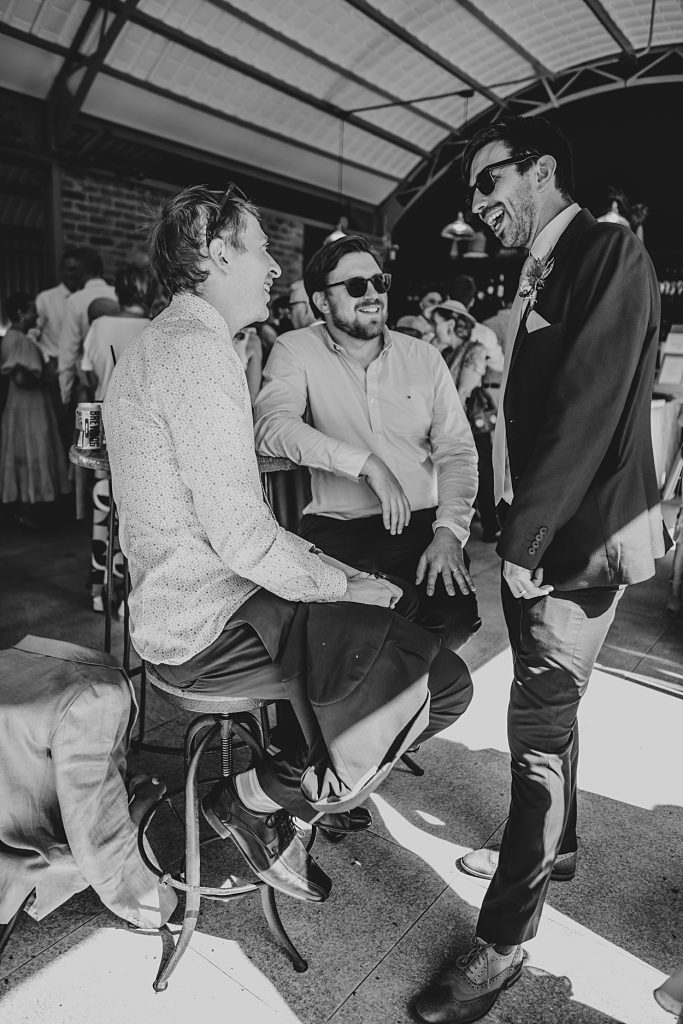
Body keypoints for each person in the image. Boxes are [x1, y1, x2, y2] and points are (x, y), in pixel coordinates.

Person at [103, 184, 472, 906]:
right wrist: (344, 584)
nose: (275, 267)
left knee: (396, 636)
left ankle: (279, 795)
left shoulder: (171, 343)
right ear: (214, 253)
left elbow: (240, 529)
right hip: (206, 624)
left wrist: (337, 576)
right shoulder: (197, 354)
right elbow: (242, 537)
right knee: (440, 681)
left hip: (193, 604)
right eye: (261, 247)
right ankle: (257, 796)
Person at [414, 114, 671, 1024]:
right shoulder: (542, 267)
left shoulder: (606, 250)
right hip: (545, 533)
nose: (479, 208)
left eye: (489, 185)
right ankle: (557, 851)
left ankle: (501, 943)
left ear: (542, 169)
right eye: (470, 198)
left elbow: (586, 410)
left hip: (574, 542)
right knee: (546, 705)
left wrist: (520, 547)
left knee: (536, 731)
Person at [254, 235, 481, 720]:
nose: (373, 293)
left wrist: (450, 531)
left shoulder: (424, 357)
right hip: (339, 528)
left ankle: (355, 741)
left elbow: (458, 451)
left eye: (379, 281)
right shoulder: (297, 349)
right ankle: (345, 748)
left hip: (423, 527)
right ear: (321, 300)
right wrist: (365, 464)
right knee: (345, 630)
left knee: (454, 618)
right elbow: (271, 427)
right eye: (356, 284)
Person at [81, 266, 151, 614]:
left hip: (104, 425)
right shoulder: (157, 328)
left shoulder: (100, 326)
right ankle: (128, 597)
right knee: (135, 512)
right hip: (142, 432)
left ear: (118, 293)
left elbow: (87, 372)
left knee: (103, 508)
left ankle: (98, 590)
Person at [431, 299, 498, 544]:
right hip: (446, 422)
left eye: (436, 323)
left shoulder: (475, 349)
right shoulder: (441, 350)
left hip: (466, 424)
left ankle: (492, 525)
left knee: (482, 473)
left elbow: (464, 390)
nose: (433, 328)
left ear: (450, 324)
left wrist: (446, 423)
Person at [0, 292, 70, 525]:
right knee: (33, 450)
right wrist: (48, 380)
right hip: (30, 406)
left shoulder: (11, 337)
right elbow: (21, 378)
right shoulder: (19, 340)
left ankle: (24, 507)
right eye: (32, 309)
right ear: (20, 313)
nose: (37, 314)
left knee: (23, 452)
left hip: (19, 405)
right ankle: (29, 509)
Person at [58, 248, 116, 407]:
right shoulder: (117, 295)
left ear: (80, 272)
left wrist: (65, 395)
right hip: (119, 380)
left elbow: (68, 353)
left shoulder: (75, 301)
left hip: (89, 387)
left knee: (87, 430)